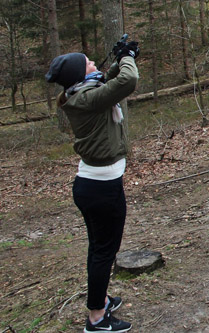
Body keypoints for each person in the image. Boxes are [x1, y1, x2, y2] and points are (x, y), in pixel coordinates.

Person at [45, 41, 139, 333]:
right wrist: (126, 59)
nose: (94, 65)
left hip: (97, 186)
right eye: (88, 63)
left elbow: (108, 80)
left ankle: (102, 299)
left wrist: (123, 58)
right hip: (100, 190)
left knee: (101, 249)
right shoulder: (86, 98)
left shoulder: (82, 92)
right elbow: (127, 80)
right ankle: (97, 318)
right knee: (103, 251)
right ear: (78, 74)